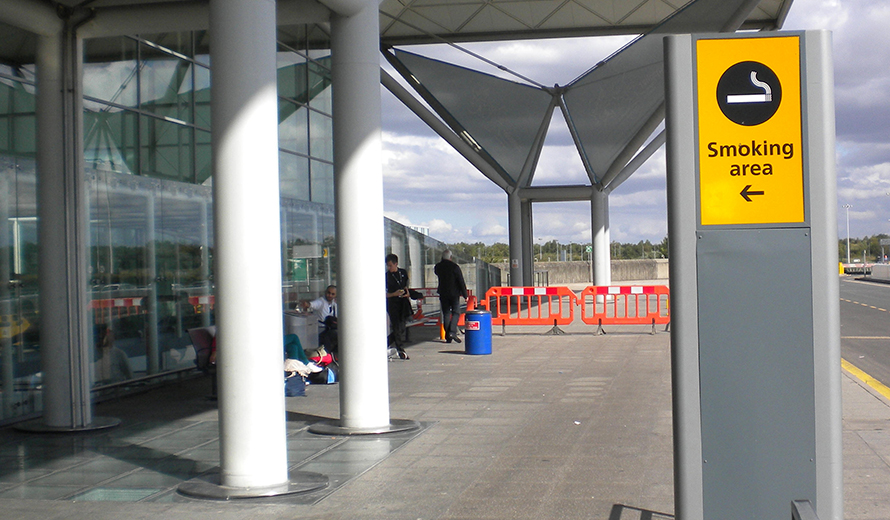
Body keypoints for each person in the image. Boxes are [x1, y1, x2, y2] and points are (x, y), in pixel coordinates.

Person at [434, 249, 468, 344]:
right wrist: (465, 295)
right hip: (454, 293)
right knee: (456, 312)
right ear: (451, 257)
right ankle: (452, 332)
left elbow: (437, 272)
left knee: (446, 314)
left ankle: (448, 336)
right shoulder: (455, 267)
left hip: (443, 293)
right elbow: (461, 281)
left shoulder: (438, 267)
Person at [385, 253, 411, 359]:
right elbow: (384, 293)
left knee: (401, 327)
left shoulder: (403, 273)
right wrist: (393, 294)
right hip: (393, 303)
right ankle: (400, 349)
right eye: (388, 266)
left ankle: (386, 342)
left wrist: (407, 293)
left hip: (403, 302)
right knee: (396, 326)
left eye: (391, 265)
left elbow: (405, 285)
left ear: (396, 264)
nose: (389, 268)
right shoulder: (387, 276)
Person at [300, 285, 338, 354]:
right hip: (320, 330)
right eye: (328, 293)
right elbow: (313, 304)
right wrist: (307, 304)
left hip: (330, 329)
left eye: (333, 294)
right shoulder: (321, 301)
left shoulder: (334, 304)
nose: (330, 295)